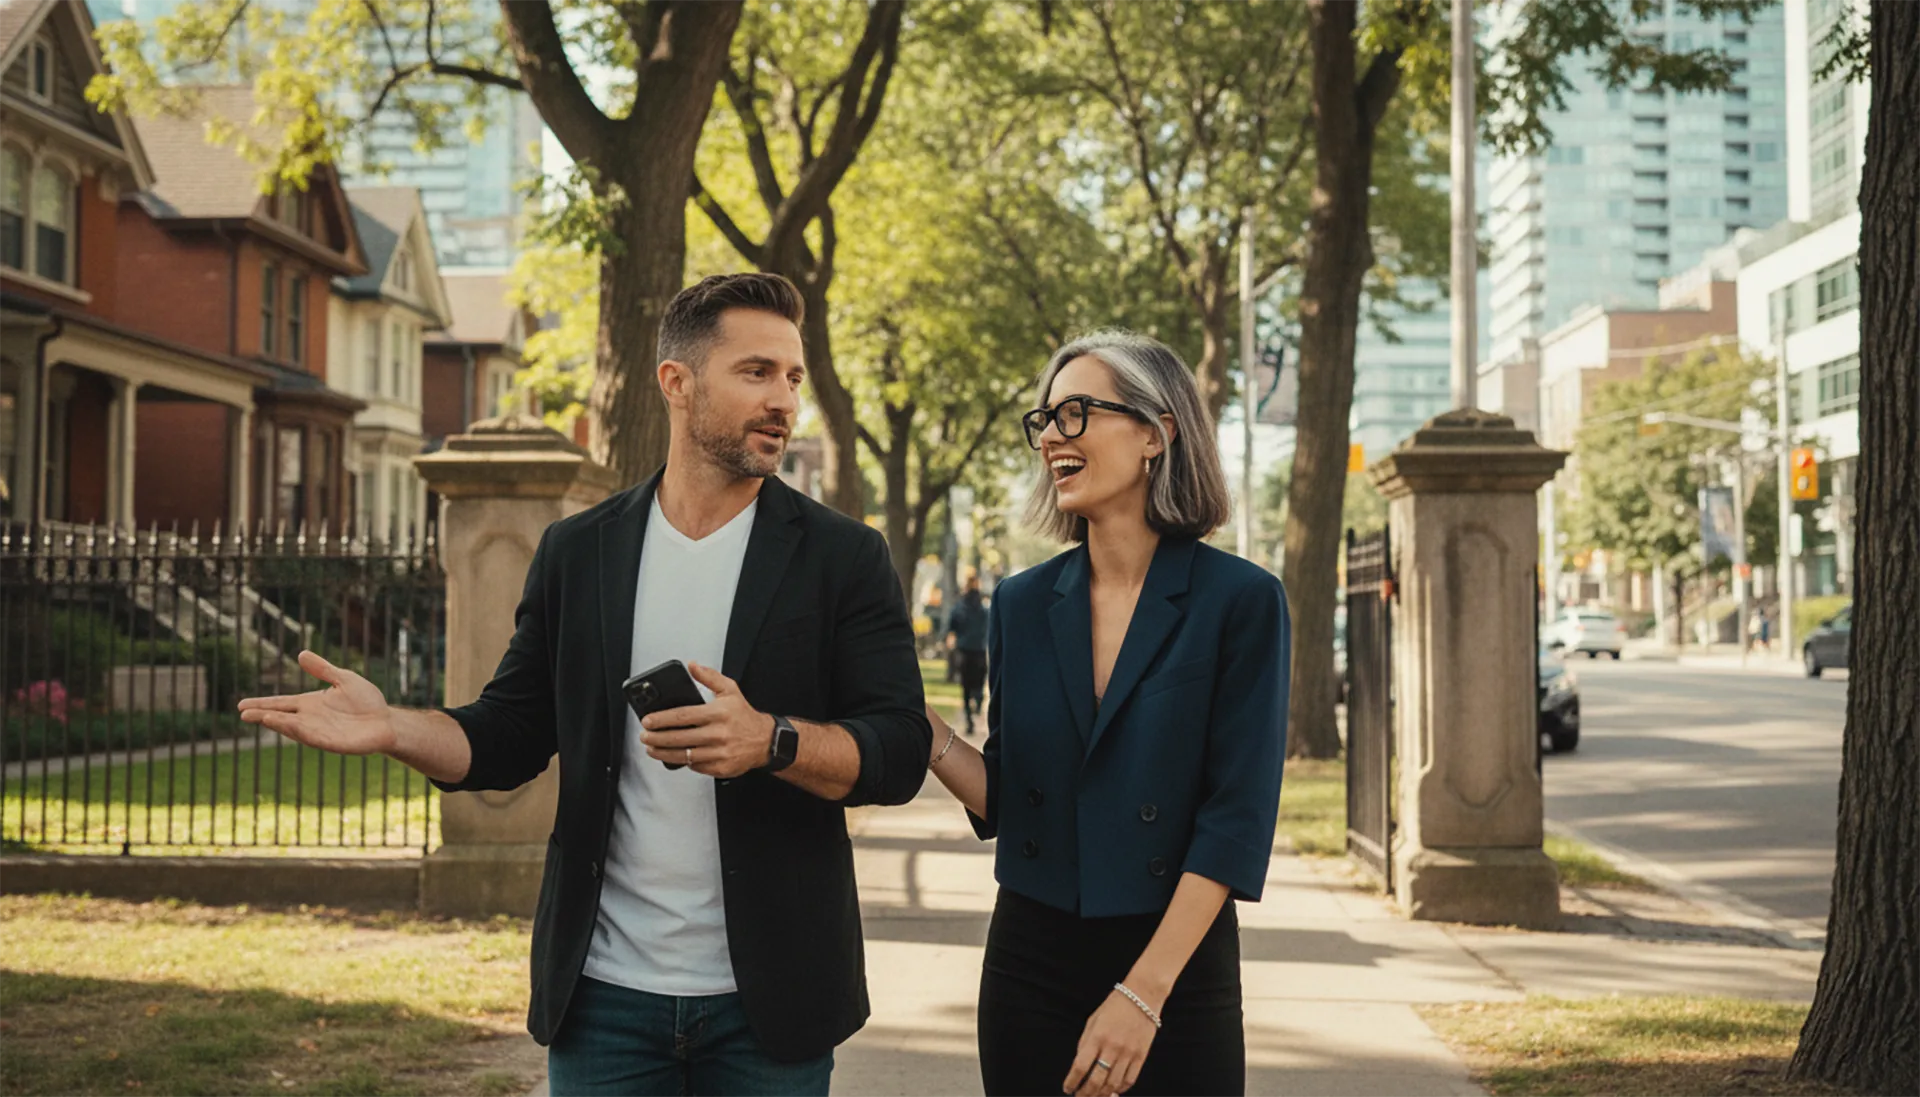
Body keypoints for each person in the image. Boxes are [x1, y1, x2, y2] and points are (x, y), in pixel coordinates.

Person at [237, 273, 931, 1095]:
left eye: (792, 377)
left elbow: (899, 750)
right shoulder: (580, 550)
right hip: (603, 998)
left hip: (770, 1004)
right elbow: (507, 735)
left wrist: (770, 740)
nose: (782, 398)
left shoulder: (843, 555)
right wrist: (393, 726)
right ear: (676, 382)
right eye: (756, 372)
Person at [923, 330, 1290, 1097]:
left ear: (1156, 434)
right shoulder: (1022, 603)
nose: (1052, 434)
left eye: (1077, 412)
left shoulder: (1241, 600)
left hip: (1175, 964)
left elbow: (1235, 819)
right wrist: (926, 735)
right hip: (1029, 964)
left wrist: (1142, 992)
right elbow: (1015, 795)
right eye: (1046, 419)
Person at [945, 574, 991, 733]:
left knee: (965, 685)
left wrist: (951, 641)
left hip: (964, 650)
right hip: (979, 649)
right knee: (979, 682)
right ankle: (977, 702)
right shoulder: (984, 607)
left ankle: (969, 719)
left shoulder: (960, 606)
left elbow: (952, 626)